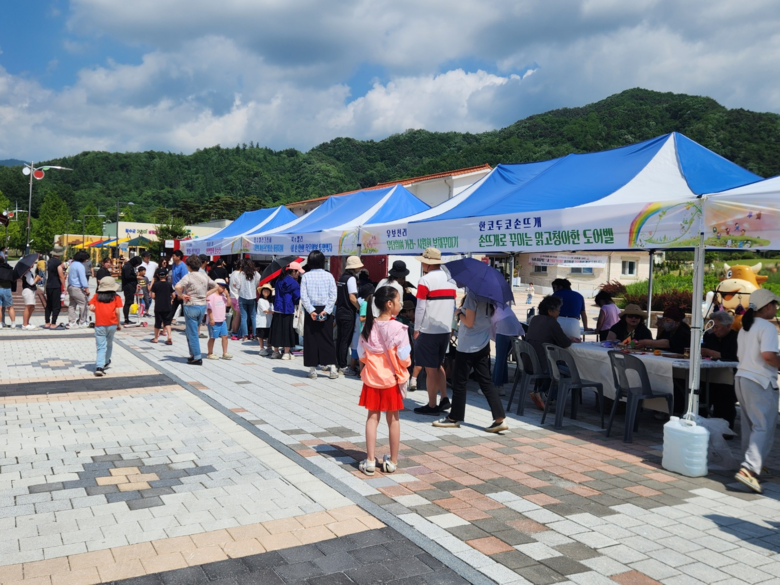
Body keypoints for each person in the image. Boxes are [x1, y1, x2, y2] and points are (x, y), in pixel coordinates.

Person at [433, 289, 510, 433]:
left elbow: (469, 322)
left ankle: (454, 418)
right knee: (486, 382)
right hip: (483, 343)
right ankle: (499, 418)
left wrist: (459, 313)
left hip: (468, 345)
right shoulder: (491, 296)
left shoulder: (473, 296)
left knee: (460, 382)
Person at [357, 286, 410, 475]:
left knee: (372, 418)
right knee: (393, 419)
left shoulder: (367, 326)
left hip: (371, 379)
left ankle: (370, 460)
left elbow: (361, 354)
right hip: (391, 380)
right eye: (398, 300)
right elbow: (404, 358)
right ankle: (392, 462)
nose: (400, 304)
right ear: (389, 304)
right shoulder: (399, 328)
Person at [733, 289, 780, 494]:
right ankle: (749, 469)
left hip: (742, 378)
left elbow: (741, 355)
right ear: (767, 306)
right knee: (763, 427)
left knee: (750, 425)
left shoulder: (746, 327)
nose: (776, 309)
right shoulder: (767, 327)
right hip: (760, 381)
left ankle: (752, 463)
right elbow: (768, 356)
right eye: (775, 305)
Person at [412, 248, 456, 416]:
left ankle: (432, 405)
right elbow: (452, 305)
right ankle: (444, 398)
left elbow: (420, 308)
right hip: (445, 329)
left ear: (427, 263)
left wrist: (416, 329)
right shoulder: (450, 279)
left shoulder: (424, 280)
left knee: (430, 370)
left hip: (429, 330)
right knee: (438, 365)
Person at [524, 295, 581, 409]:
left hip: (529, 362)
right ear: (550, 311)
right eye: (558, 310)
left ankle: (541, 392)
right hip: (544, 364)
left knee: (560, 367)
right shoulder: (551, 322)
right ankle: (548, 396)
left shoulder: (535, 319)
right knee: (572, 373)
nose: (559, 313)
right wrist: (569, 339)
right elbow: (565, 343)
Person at [301, 251, 339, 378]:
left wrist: (311, 310)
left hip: (310, 310)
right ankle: (333, 368)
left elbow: (304, 296)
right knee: (327, 338)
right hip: (325, 309)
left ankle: (312, 370)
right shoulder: (329, 276)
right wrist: (327, 310)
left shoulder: (306, 276)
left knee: (311, 339)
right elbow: (333, 295)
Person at [174, 255, 217, 365]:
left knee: (192, 332)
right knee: (191, 331)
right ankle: (192, 354)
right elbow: (216, 286)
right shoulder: (204, 276)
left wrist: (181, 295)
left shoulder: (188, 276)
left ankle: (197, 356)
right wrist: (205, 294)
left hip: (191, 304)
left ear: (188, 266)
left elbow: (177, 287)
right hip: (202, 306)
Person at [701, 310, 739, 428]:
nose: (714, 330)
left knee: (724, 402)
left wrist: (713, 353)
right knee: (702, 394)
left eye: (717, 327)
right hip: (711, 374)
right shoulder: (711, 337)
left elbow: (735, 356)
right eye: (712, 327)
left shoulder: (736, 338)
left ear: (728, 326)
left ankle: (725, 429)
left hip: (729, 377)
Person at [88, 276, 123, 377]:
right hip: (112, 324)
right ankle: (106, 361)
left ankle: (99, 366)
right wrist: (118, 324)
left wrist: (98, 310)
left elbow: (91, 307)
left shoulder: (96, 296)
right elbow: (117, 311)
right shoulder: (116, 297)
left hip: (99, 324)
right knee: (109, 343)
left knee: (101, 346)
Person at [270, 261, 303, 360]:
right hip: (288, 308)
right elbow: (297, 297)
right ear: (293, 271)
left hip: (278, 307)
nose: (298, 274)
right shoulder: (294, 283)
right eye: (298, 272)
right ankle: (286, 352)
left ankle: (275, 352)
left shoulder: (279, 280)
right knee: (287, 331)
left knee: (277, 330)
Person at [336, 255, 363, 372]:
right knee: (345, 340)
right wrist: (359, 308)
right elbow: (352, 297)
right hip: (348, 312)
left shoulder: (342, 277)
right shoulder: (351, 279)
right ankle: (343, 366)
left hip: (340, 311)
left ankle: (338, 362)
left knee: (340, 339)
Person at [491, 302, 524, 394]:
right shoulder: (501, 303)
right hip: (515, 328)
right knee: (503, 358)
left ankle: (496, 386)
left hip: (503, 328)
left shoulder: (489, 304)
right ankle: (501, 384)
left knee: (500, 358)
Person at [206, 279, 233, 360]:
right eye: (221, 286)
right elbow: (209, 309)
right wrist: (211, 319)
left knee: (225, 336)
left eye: (224, 287)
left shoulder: (223, 296)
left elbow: (228, 304)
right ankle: (210, 353)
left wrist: (228, 296)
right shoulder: (211, 296)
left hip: (222, 320)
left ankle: (225, 353)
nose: (223, 288)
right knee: (213, 337)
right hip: (214, 320)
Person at [236, 259, 261, 340]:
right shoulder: (256, 274)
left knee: (244, 317)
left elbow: (238, 285)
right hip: (253, 297)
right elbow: (258, 284)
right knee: (253, 317)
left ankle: (245, 335)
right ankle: (255, 334)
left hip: (242, 296)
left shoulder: (241, 274)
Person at [150, 268, 174, 345]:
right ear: (166, 275)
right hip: (168, 306)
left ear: (158, 275)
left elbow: (152, 295)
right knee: (167, 323)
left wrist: (156, 298)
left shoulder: (155, 284)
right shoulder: (169, 284)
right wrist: (171, 299)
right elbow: (173, 295)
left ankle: (156, 338)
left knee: (157, 323)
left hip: (158, 306)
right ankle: (169, 336)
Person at [44, 246, 66, 329]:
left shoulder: (49, 261)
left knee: (49, 304)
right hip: (56, 285)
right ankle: (53, 323)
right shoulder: (58, 263)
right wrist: (64, 286)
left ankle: (47, 322)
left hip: (48, 285)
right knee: (56, 305)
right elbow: (61, 275)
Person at [67, 252, 91, 328]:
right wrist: (86, 288)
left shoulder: (72, 264)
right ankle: (82, 321)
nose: (87, 260)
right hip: (77, 287)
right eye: (86, 258)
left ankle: (72, 322)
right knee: (83, 303)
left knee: (72, 304)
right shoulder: (80, 266)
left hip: (71, 286)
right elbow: (82, 277)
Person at [120, 256, 141, 325]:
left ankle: (127, 319)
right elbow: (127, 276)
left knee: (129, 302)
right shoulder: (128, 266)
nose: (136, 265)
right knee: (128, 303)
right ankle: (126, 319)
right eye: (137, 264)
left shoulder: (130, 266)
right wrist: (136, 277)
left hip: (131, 287)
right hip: (128, 287)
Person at [169, 250, 188, 324]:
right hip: (175, 290)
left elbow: (184, 280)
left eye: (174, 256)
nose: (172, 257)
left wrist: (181, 293)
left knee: (185, 311)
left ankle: (189, 326)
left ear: (178, 257)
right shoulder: (174, 265)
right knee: (172, 309)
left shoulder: (183, 266)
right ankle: (167, 324)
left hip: (181, 292)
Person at [21, 266, 42, 330]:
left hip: (30, 290)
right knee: (28, 307)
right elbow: (31, 283)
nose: (32, 265)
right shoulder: (27, 273)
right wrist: (37, 278)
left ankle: (27, 322)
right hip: (28, 290)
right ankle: (25, 324)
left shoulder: (28, 272)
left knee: (32, 307)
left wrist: (37, 279)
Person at [256, 283, 274, 356]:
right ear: (262, 291)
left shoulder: (270, 301)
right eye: (264, 290)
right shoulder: (260, 300)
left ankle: (269, 347)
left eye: (268, 291)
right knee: (261, 336)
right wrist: (274, 312)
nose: (266, 292)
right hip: (261, 321)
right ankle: (261, 348)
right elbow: (265, 310)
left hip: (269, 321)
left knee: (268, 335)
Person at [228, 265, 242, 338]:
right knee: (237, 315)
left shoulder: (233, 273)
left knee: (235, 315)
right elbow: (239, 285)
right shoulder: (239, 274)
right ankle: (235, 332)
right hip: (237, 296)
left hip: (232, 296)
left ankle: (233, 331)